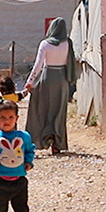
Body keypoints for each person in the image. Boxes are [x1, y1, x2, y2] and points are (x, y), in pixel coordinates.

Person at [24, 17, 77, 154]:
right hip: (62, 80)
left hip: (48, 79)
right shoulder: (68, 43)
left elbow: (38, 65)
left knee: (44, 109)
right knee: (59, 111)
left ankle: (42, 139)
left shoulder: (45, 44)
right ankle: (57, 143)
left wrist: (30, 82)